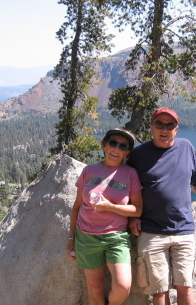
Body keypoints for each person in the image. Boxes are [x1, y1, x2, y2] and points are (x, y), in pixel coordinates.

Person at [127, 107, 196, 305]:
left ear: (176, 129)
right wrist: (133, 216)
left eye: (169, 125)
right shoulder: (139, 155)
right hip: (151, 231)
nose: (164, 129)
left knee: (186, 286)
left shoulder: (186, 147)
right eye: (159, 124)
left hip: (183, 230)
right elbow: (129, 188)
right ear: (151, 127)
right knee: (159, 290)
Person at [66, 129, 143, 305]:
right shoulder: (89, 171)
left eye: (123, 146)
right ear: (104, 146)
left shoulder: (130, 174)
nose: (116, 149)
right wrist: (71, 239)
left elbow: (137, 210)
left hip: (116, 238)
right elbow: (77, 207)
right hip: (86, 238)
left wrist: (111, 207)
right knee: (95, 287)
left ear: (127, 153)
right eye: (113, 143)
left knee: (123, 286)